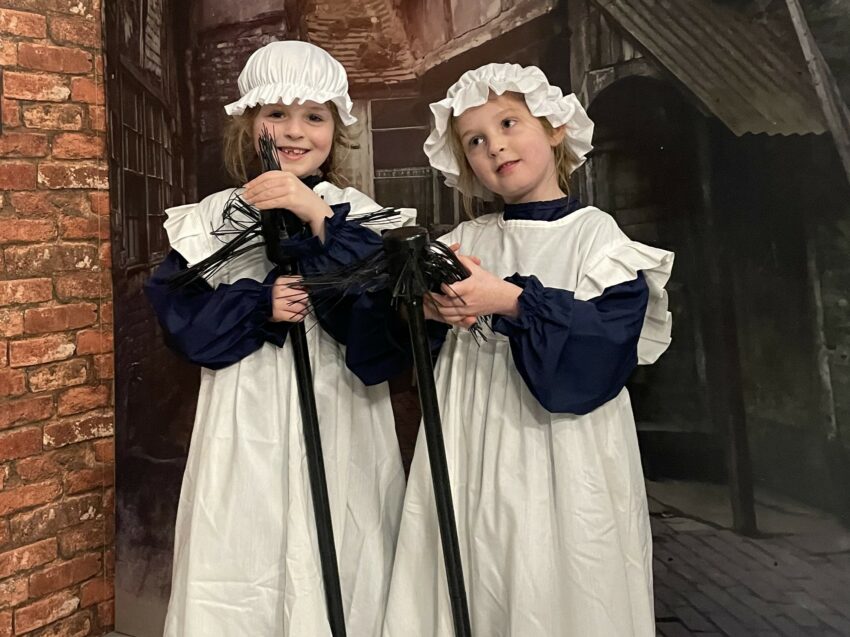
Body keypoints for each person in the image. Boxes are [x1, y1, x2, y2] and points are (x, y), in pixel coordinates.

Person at [382, 63, 674, 636]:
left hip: (562, 450)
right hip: (472, 439)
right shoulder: (465, 243)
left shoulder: (597, 238)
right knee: (474, 562)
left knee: (554, 573)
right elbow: (404, 336)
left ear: (555, 129)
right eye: (476, 140)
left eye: (509, 122)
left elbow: (605, 351)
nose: (496, 146)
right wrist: (428, 311)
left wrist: (512, 301)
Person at [145, 40, 413, 636]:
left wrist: (316, 217)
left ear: (335, 129)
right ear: (249, 122)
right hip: (246, 416)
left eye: (313, 116)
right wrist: (258, 303)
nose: (295, 132)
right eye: (276, 114)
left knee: (340, 545)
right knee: (247, 545)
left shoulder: (361, 216)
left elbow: (381, 327)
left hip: (340, 409)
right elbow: (181, 320)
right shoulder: (216, 217)